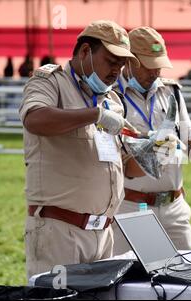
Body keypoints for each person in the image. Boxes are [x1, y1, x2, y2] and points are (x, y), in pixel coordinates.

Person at [19, 20, 141, 279]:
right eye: (111, 61)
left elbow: (127, 169)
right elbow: (35, 119)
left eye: (121, 65)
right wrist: (94, 114)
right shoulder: (51, 82)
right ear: (85, 51)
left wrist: (155, 152)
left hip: (104, 232)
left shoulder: (112, 101)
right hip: (60, 230)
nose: (116, 71)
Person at [113, 27, 191, 254]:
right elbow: (122, 165)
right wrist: (158, 151)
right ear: (129, 61)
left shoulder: (171, 92)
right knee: (132, 281)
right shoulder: (112, 97)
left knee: (183, 279)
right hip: (132, 207)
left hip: (174, 207)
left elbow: (190, 139)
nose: (156, 72)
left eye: (159, 64)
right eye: (149, 65)